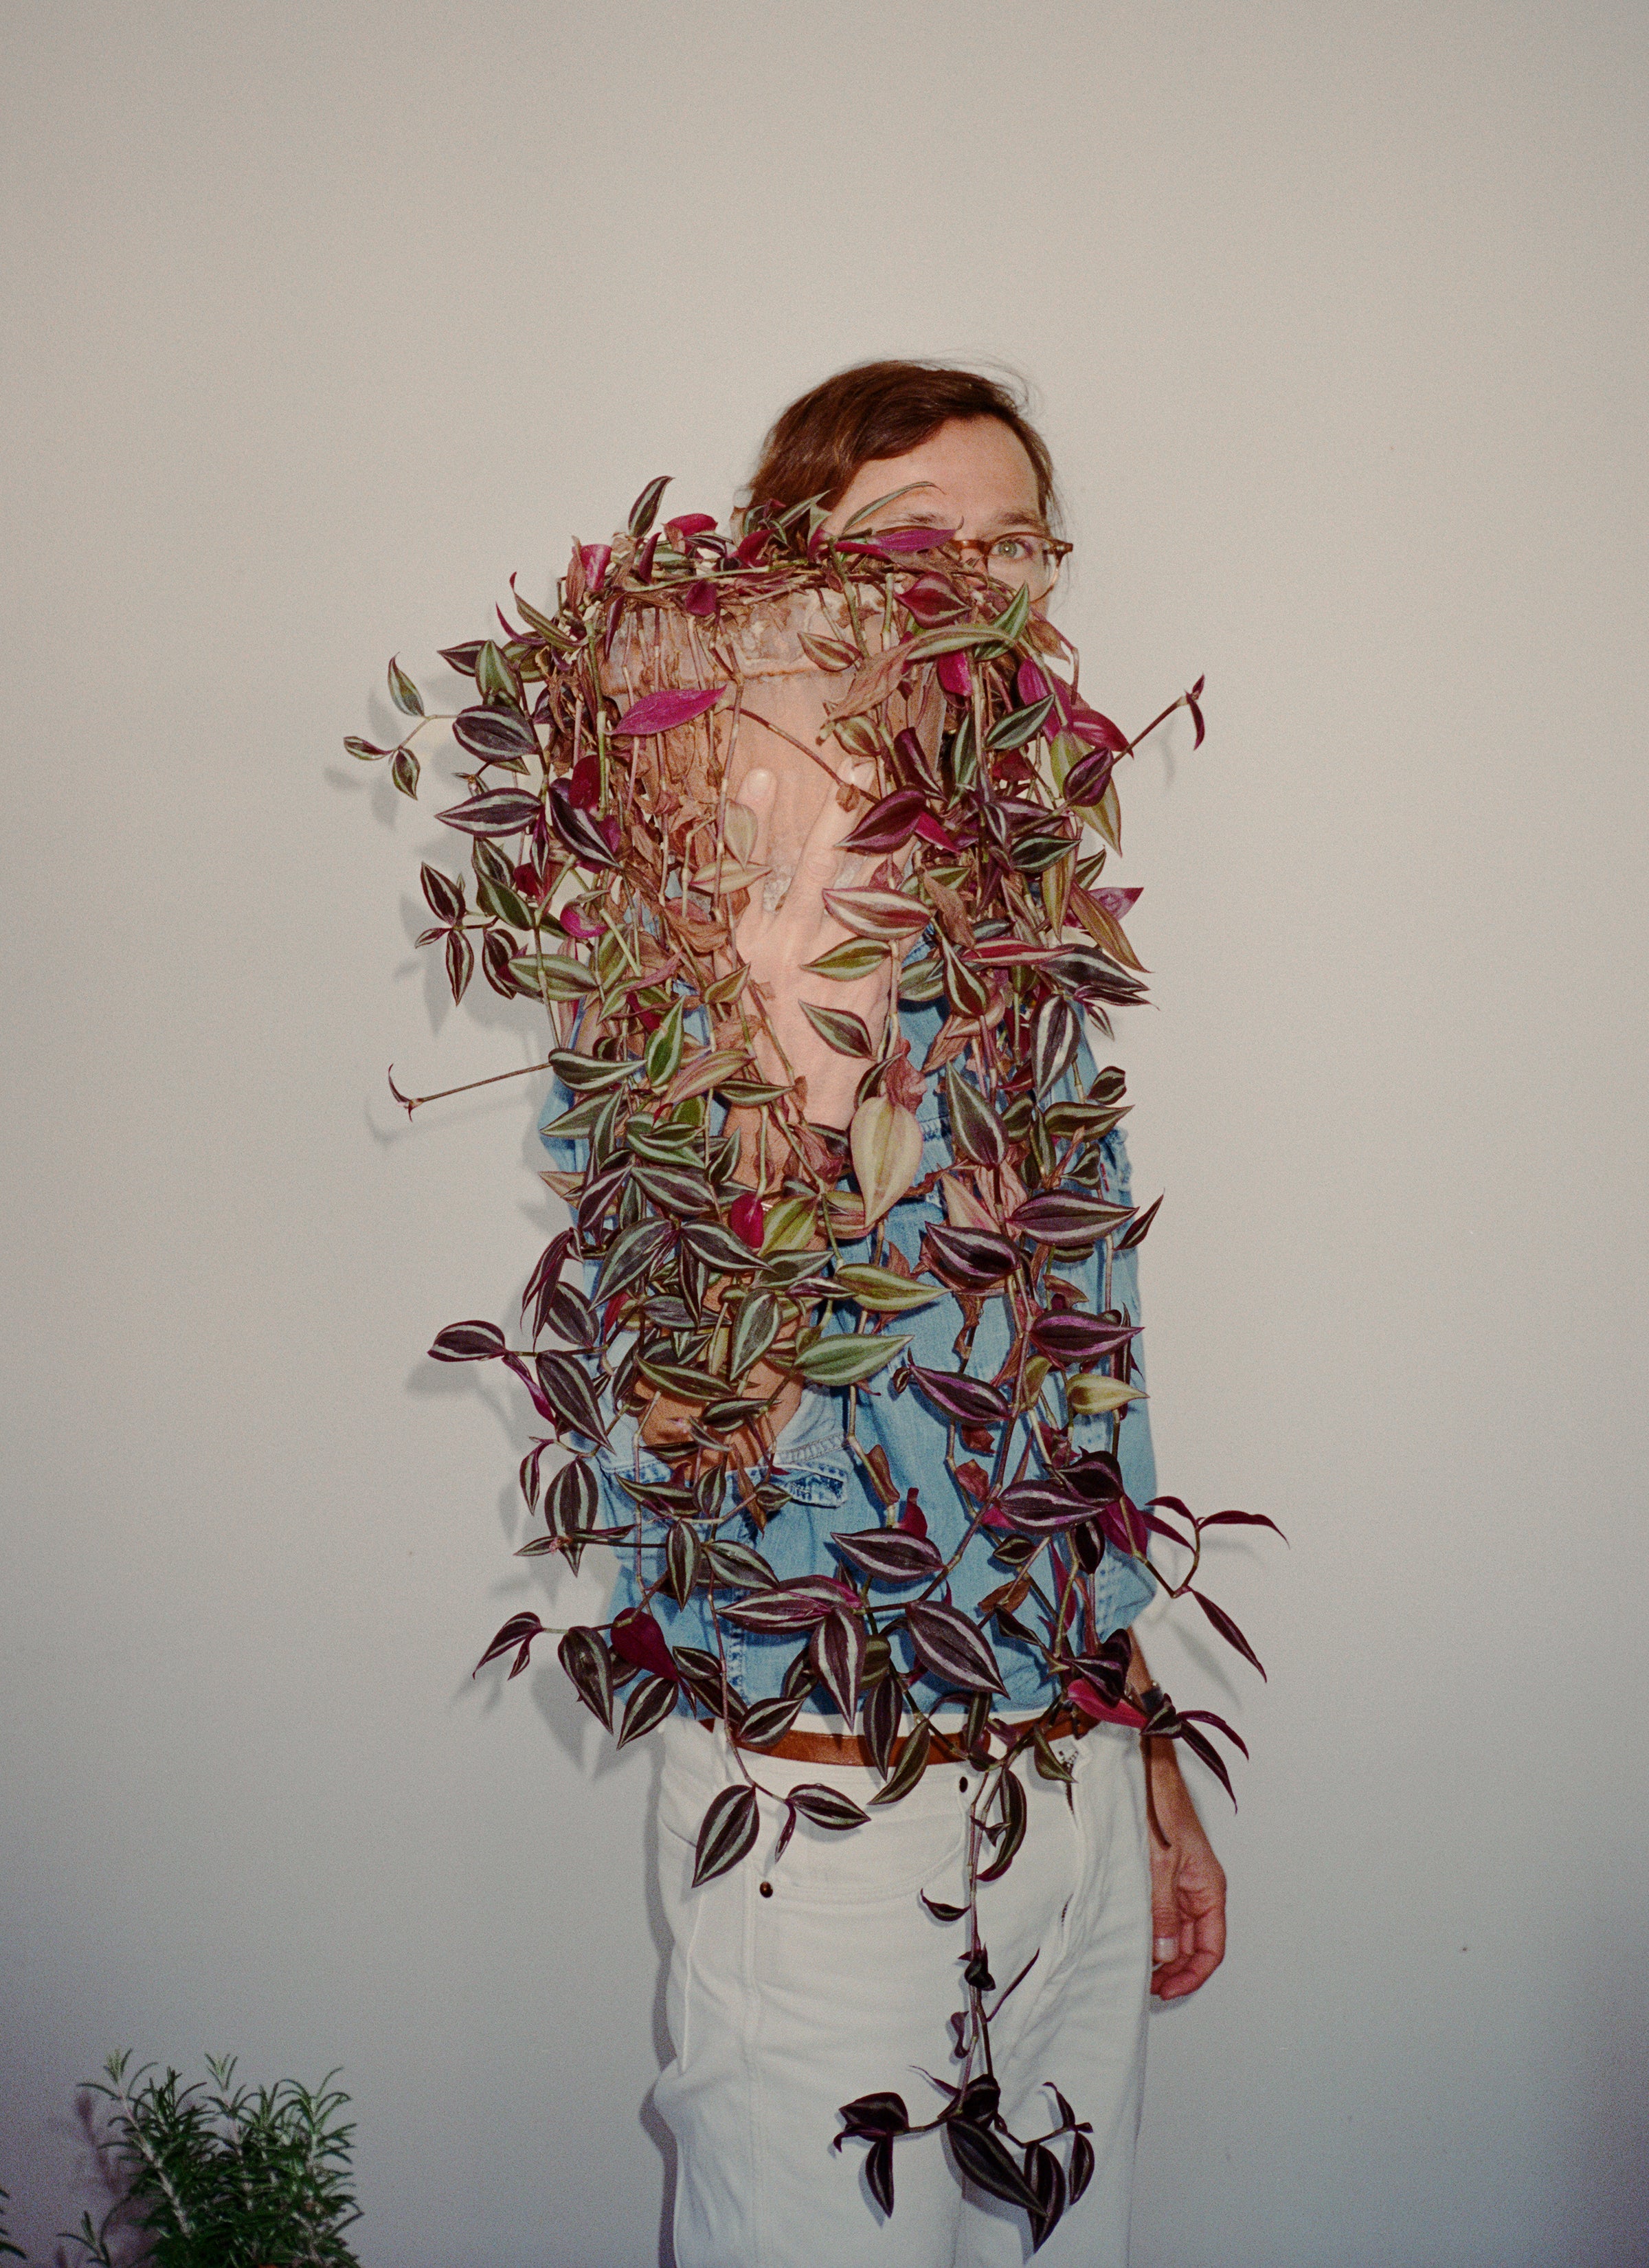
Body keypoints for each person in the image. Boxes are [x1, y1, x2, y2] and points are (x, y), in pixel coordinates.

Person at [550, 362, 1225, 2268]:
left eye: (1018, 541)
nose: (983, 584)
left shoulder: (1030, 951)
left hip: (1073, 1772)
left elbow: (1072, 1413)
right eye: (922, 540)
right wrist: (812, 998)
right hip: (833, 1813)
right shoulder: (685, 940)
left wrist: (1147, 1755)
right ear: (791, 586)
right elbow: (697, 1419)